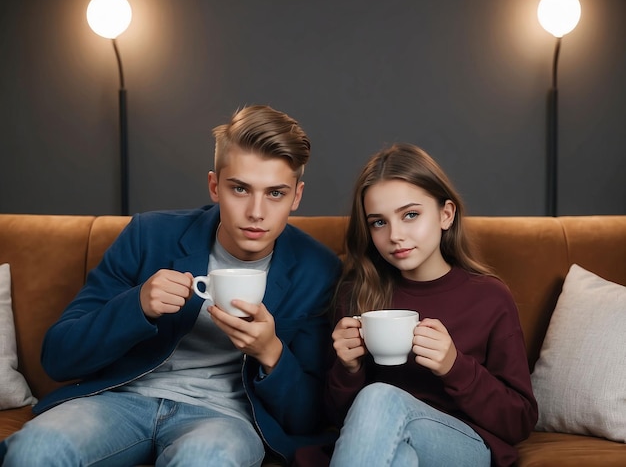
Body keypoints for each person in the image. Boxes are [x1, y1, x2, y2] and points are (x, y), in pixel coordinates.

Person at [0, 105, 342, 467]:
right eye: (240, 189)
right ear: (214, 186)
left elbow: (308, 417)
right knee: (34, 450)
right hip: (120, 401)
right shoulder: (149, 235)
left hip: (224, 418)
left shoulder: (318, 270)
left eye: (275, 193)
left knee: (206, 460)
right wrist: (137, 306)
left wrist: (271, 352)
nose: (256, 212)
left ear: (297, 196)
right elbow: (58, 357)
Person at [324, 144, 537, 467]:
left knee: (379, 396)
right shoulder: (356, 295)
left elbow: (520, 420)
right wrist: (348, 369)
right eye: (378, 222)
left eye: (410, 215)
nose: (395, 235)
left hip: (465, 444)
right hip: (382, 445)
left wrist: (455, 365)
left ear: (445, 214)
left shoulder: (490, 297)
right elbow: (342, 423)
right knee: (401, 460)